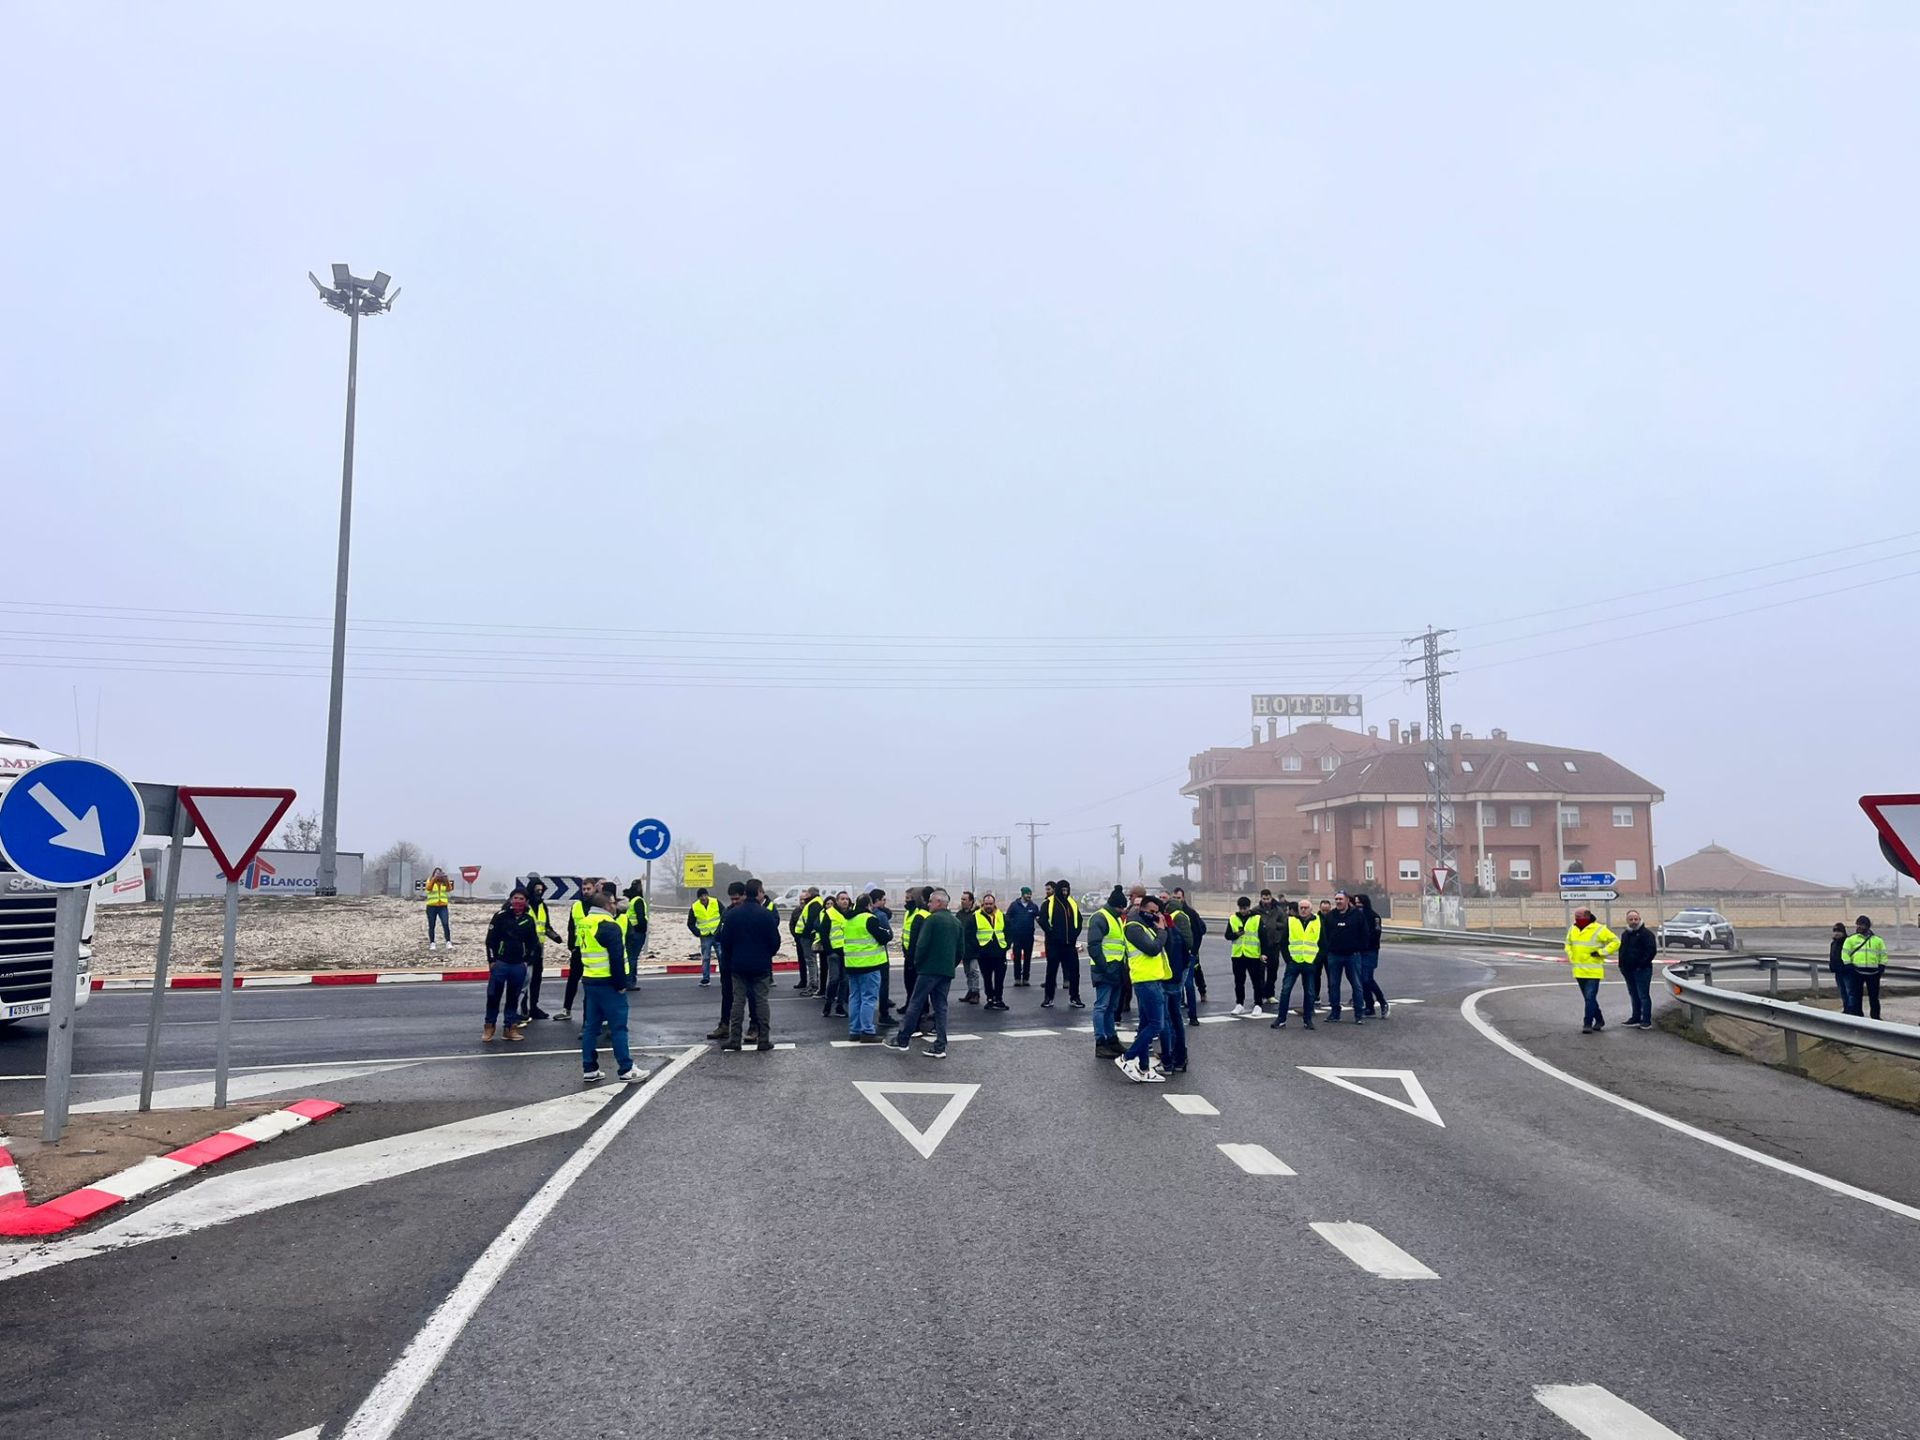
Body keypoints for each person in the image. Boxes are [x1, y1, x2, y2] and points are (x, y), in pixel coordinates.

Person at [578, 890, 647, 1084]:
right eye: (614, 903)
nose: (616, 906)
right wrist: (621, 984)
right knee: (618, 1027)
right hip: (608, 983)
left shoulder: (585, 922)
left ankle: (589, 1068)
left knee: (591, 1027)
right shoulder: (609, 926)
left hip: (590, 980)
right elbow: (616, 958)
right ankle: (626, 1068)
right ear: (607, 905)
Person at [889, 887, 960, 1057]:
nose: (928, 904)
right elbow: (960, 950)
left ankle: (903, 1038)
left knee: (916, 1002)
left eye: (930, 901)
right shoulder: (956, 922)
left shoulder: (931, 920)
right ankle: (940, 1045)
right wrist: (950, 965)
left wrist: (918, 964)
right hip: (946, 971)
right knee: (941, 1007)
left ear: (938, 902)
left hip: (928, 969)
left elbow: (921, 946)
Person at [1115, 896, 1172, 1083]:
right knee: (1157, 1024)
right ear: (1142, 910)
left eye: (1157, 912)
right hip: (1145, 981)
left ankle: (1144, 1068)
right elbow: (1153, 949)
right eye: (1152, 912)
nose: (1155, 915)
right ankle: (1127, 1058)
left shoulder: (1146, 927)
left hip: (1153, 979)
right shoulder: (1134, 928)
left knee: (1145, 1025)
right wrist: (1162, 931)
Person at [719, 878, 780, 1052]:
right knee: (762, 1002)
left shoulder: (732, 915)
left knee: (738, 1001)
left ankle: (735, 1039)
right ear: (759, 891)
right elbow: (775, 941)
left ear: (745, 893)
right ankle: (763, 1039)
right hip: (761, 965)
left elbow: (725, 942)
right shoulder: (766, 915)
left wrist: (734, 957)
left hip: (738, 965)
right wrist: (767, 954)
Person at [482, 886, 537, 1042]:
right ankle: (489, 1027)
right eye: (515, 898)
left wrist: (527, 961)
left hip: (518, 965)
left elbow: (533, 943)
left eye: (521, 898)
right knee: (493, 996)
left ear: (526, 901)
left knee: (513, 998)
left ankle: (510, 1028)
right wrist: (492, 961)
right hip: (501, 963)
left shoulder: (528, 920)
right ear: (510, 899)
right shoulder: (500, 916)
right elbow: (490, 941)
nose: (518, 901)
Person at [841, 892, 895, 1041]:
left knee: (855, 997)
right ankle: (867, 1031)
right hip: (869, 965)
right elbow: (885, 937)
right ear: (868, 905)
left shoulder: (848, 920)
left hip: (851, 964)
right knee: (868, 998)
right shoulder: (869, 919)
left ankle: (854, 1030)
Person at [1085, 887, 1129, 1058]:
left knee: (1111, 1007)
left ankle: (1111, 1039)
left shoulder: (1115, 918)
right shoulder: (1100, 918)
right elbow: (1094, 946)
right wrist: (1105, 967)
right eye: (1121, 908)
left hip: (1116, 969)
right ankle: (1100, 1042)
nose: (1122, 911)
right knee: (1102, 1006)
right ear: (1115, 906)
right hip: (1105, 970)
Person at [705, 882, 751, 1043]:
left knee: (751, 996)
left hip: (747, 961)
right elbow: (719, 936)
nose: (734, 902)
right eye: (732, 899)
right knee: (727, 995)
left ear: (744, 895)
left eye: (737, 898)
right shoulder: (728, 913)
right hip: (728, 961)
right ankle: (724, 1025)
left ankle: (754, 1027)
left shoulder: (751, 913)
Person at [1565, 907, 1620, 1033]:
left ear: (1587, 916)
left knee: (1590, 997)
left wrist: (1602, 952)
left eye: (1579, 917)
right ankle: (1599, 1019)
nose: (1577, 919)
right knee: (1589, 999)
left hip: (1593, 971)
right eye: (1576, 917)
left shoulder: (1599, 929)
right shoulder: (1573, 929)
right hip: (1578, 970)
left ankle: (1587, 1023)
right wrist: (1570, 955)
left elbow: (1616, 942)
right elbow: (1568, 943)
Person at [556, 876, 601, 1024]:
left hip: (595, 951)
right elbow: (571, 927)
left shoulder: (600, 905)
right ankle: (566, 1009)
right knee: (573, 980)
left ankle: (593, 1015)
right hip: (578, 949)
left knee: (592, 984)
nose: (586, 892)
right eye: (584, 889)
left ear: (595, 888)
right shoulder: (576, 906)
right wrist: (572, 947)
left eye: (589, 889)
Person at [1271, 901, 1322, 1030]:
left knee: (1310, 992)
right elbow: (1284, 942)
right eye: (1301, 908)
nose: (1303, 910)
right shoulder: (1291, 921)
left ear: (1311, 909)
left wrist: (1316, 959)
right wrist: (1288, 959)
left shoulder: (1318, 922)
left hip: (1309, 962)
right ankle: (1281, 1019)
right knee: (1285, 990)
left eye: (1306, 908)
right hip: (1294, 962)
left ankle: (1308, 1020)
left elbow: (1323, 943)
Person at [1156, 893, 1193, 1070]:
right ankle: (1180, 1058)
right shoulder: (1176, 930)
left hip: (1165, 979)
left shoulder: (1164, 933)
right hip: (1176, 979)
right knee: (1176, 1019)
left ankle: (1168, 1059)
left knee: (1165, 1021)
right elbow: (1187, 954)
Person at [1320, 893, 1367, 1024]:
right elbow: (1325, 935)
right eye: (1336, 899)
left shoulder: (1357, 915)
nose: (1338, 901)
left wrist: (1359, 948)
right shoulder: (1330, 916)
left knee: (1357, 985)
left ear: (1347, 900)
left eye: (1340, 899)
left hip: (1353, 955)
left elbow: (1364, 933)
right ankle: (1335, 1013)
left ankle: (1359, 1014)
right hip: (1334, 955)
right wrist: (1329, 949)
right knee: (1333, 984)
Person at [522, 874, 563, 1020]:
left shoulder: (542, 906)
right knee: (525, 980)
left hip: (539, 950)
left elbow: (545, 926)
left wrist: (555, 937)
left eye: (541, 890)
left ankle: (534, 1007)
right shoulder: (524, 906)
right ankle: (523, 1009)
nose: (539, 893)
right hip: (525, 950)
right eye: (536, 890)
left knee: (536, 980)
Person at [1040, 879, 1084, 1009]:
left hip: (1070, 945)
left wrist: (1075, 934)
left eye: (1067, 890)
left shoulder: (1072, 903)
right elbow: (1042, 919)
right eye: (1063, 890)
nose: (1065, 893)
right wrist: (1051, 933)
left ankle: (1075, 997)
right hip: (1054, 945)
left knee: (1075, 971)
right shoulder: (1049, 903)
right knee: (1051, 971)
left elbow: (1079, 920)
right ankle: (1048, 998)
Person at [1617, 910, 1658, 1029]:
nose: (1633, 922)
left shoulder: (1646, 934)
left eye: (1636, 919)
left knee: (1643, 995)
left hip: (1642, 970)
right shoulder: (1625, 934)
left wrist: (1641, 965)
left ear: (1640, 919)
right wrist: (1621, 965)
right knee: (1633, 994)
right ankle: (1635, 1017)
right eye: (1631, 919)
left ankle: (1646, 1020)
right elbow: (1622, 951)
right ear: (1627, 920)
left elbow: (1651, 951)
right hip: (1627, 970)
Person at [1842, 914, 1888, 1019]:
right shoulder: (1851, 939)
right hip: (1856, 971)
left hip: (1873, 972)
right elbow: (1845, 954)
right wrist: (1848, 965)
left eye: (1862, 925)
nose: (1859, 927)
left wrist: (1881, 966)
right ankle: (1858, 1017)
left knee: (1874, 997)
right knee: (1857, 996)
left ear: (1868, 926)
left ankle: (1875, 1017)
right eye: (1858, 924)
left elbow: (1883, 954)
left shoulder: (1878, 940)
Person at [1353, 892, 1388, 1018]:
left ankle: (1382, 1001)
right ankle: (1369, 1006)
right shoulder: (1355, 917)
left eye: (1360, 903)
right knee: (1361, 980)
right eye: (1356, 903)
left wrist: (1365, 942)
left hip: (1371, 951)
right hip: (1358, 951)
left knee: (1367, 978)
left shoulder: (1374, 917)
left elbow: (1376, 934)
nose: (1358, 906)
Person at [1227, 897, 1263, 1015]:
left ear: (1249, 907)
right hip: (1238, 955)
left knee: (1256, 981)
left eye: (1245, 908)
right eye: (1241, 908)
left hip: (1253, 955)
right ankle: (1239, 1004)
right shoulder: (1233, 919)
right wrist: (1236, 934)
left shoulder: (1257, 918)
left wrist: (1263, 953)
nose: (1243, 911)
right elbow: (1227, 935)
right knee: (1239, 981)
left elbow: (1263, 937)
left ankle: (1258, 1004)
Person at [818, 891, 851, 1018]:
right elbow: (824, 933)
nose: (845, 901)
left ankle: (840, 1007)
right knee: (834, 979)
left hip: (846, 952)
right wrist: (829, 951)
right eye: (842, 899)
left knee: (844, 981)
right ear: (837, 901)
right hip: (834, 953)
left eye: (847, 899)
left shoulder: (850, 914)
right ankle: (828, 1005)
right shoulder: (830, 913)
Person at [1173, 887, 1208, 1005]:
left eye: (1179, 898)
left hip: (1191, 950)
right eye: (1175, 898)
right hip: (1178, 951)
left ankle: (1202, 991)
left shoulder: (1191, 913)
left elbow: (1199, 931)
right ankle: (1181, 1000)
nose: (1177, 900)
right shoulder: (1171, 912)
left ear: (1183, 898)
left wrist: (1194, 949)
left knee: (1195, 972)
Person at [975, 893, 1010, 1009]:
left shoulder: (1001, 916)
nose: (988, 906)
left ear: (994, 904)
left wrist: (1006, 946)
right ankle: (990, 999)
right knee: (987, 978)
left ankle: (999, 999)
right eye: (986, 904)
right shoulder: (975, 916)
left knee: (999, 978)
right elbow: (969, 935)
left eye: (990, 904)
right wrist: (978, 948)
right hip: (984, 954)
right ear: (982, 904)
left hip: (1000, 953)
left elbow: (1009, 931)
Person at [1005, 887, 1041, 988]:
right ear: (1022, 894)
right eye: (1027, 894)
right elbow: (1007, 918)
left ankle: (1026, 979)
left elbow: (1038, 918)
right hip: (1016, 936)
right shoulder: (1014, 905)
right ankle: (1017, 979)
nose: (1029, 896)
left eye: (1030, 894)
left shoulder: (1033, 906)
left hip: (1028, 936)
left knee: (1027, 958)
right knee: (1016, 958)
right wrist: (1011, 928)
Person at [688, 888, 723, 985]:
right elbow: (690, 923)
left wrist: (721, 929)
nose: (703, 898)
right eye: (701, 896)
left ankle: (724, 977)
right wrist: (697, 932)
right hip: (705, 936)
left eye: (705, 895)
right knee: (706, 957)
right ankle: (706, 978)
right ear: (698, 898)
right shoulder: (695, 907)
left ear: (707, 895)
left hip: (717, 934)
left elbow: (724, 915)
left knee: (721, 956)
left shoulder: (715, 902)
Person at [791, 887, 821, 991]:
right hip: (805, 936)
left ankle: (813, 985)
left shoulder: (814, 904)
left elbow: (810, 921)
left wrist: (804, 934)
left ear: (811, 894)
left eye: (807, 893)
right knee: (810, 961)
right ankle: (813, 983)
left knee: (810, 961)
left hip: (807, 937)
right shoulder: (814, 903)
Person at [957, 891, 983, 1004]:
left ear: (971, 901)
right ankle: (970, 991)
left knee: (974, 971)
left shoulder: (977, 914)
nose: (962, 902)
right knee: (967, 971)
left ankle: (975, 992)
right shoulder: (960, 914)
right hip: (964, 948)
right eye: (961, 899)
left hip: (974, 948)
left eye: (964, 900)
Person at [425, 867, 455, 950]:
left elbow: (449, 889)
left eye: (440, 873)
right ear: (433, 874)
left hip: (442, 906)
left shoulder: (444, 882)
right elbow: (428, 889)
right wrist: (434, 880)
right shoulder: (430, 880)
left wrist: (446, 880)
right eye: (436, 873)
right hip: (431, 906)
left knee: (445, 924)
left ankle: (448, 942)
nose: (438, 875)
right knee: (432, 925)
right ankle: (432, 943)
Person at [1827, 921, 1851, 1007]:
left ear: (1843, 932)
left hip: (1847, 971)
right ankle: (1846, 1008)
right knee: (1842, 991)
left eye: (1838, 931)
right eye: (1835, 931)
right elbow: (1832, 956)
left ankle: (1851, 1010)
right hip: (1838, 971)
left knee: (1849, 991)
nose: (1836, 933)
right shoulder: (1833, 943)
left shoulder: (1847, 942)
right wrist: (1832, 966)